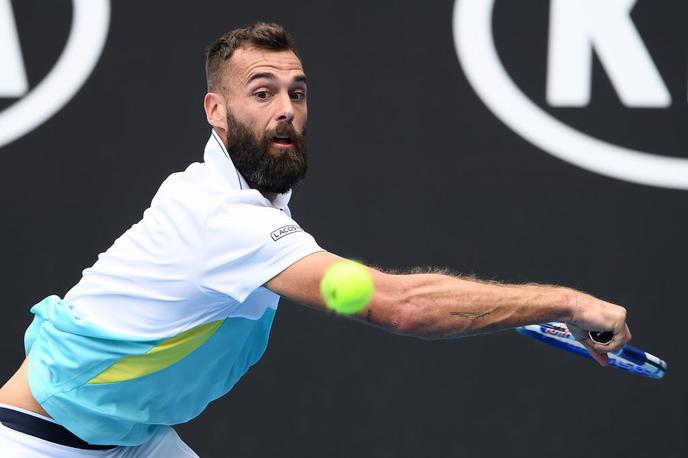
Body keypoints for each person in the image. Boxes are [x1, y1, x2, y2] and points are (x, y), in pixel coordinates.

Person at [0, 22, 631, 457]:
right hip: (35, 440)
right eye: (262, 92)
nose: (286, 109)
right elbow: (399, 306)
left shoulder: (258, 205)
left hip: (122, 436)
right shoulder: (224, 219)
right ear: (215, 112)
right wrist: (568, 301)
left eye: (297, 94)